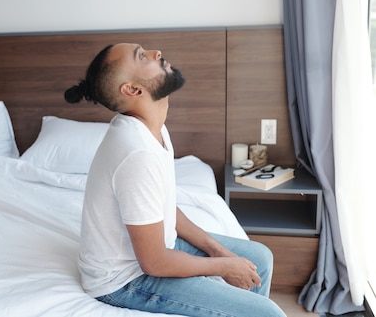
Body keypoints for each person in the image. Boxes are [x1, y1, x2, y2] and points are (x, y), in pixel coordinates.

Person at [65, 43, 286, 317]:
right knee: (269, 313)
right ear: (133, 90)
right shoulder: (136, 152)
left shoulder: (152, 127)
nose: (156, 53)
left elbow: (165, 208)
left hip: (156, 249)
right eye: (142, 56)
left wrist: (219, 251)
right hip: (124, 280)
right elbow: (154, 262)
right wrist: (224, 266)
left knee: (258, 259)